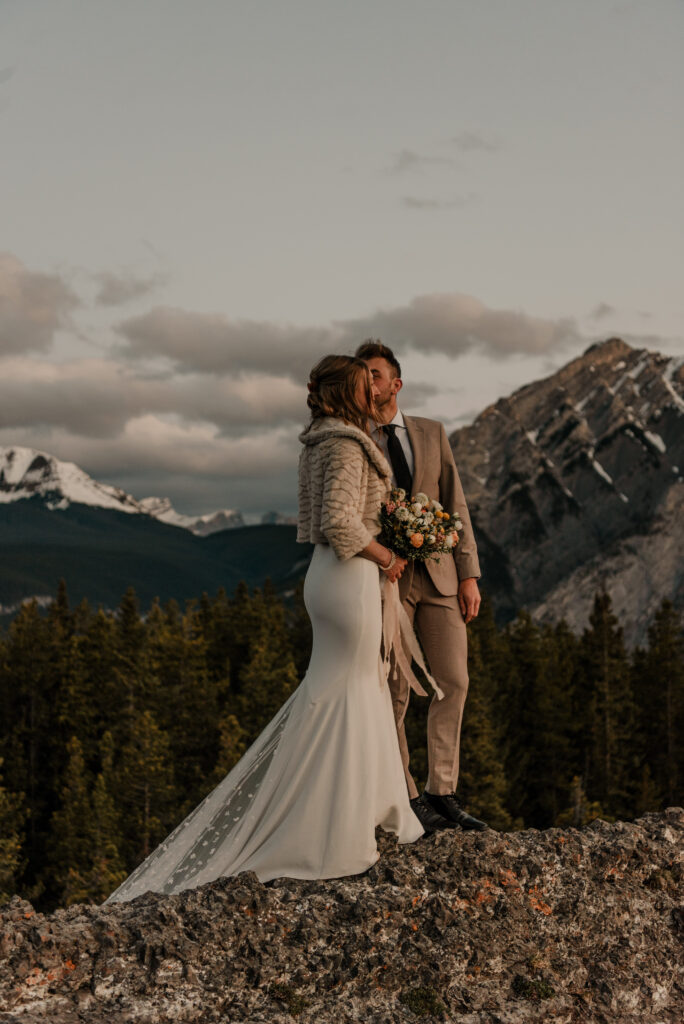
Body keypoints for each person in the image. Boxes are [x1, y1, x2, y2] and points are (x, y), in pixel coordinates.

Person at [104, 355, 424, 904]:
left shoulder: (319, 441)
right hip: (350, 575)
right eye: (363, 385)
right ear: (348, 394)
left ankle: (360, 806)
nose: (373, 393)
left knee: (347, 688)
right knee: (347, 689)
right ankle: (335, 826)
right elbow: (339, 522)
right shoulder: (347, 445)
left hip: (327, 576)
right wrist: (388, 557)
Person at [356, 340, 489, 833]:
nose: (368, 383)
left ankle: (443, 790)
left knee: (454, 681)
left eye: (374, 374)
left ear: (396, 383)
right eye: (361, 376)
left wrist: (469, 573)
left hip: (441, 578)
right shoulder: (355, 437)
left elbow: (456, 503)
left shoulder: (431, 433)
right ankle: (409, 797)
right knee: (394, 693)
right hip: (387, 581)